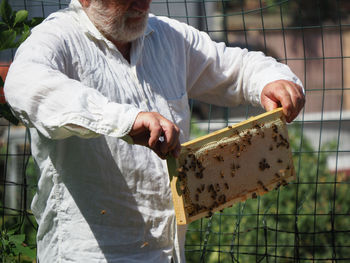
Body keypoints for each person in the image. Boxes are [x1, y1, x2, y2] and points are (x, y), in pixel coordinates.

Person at [4, 0, 305, 262]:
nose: (144, 4)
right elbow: (25, 84)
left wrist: (271, 80)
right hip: (88, 254)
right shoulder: (57, 38)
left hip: (166, 253)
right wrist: (123, 120)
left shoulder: (167, 37)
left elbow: (235, 66)